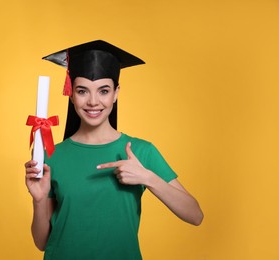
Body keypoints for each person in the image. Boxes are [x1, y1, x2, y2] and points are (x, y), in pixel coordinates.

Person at [24, 40, 203, 260]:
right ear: (71, 94)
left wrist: (147, 177)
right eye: (82, 91)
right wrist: (39, 199)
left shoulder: (140, 151)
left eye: (103, 91)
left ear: (116, 93)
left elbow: (195, 215)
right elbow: (42, 243)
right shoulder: (51, 154)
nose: (93, 102)